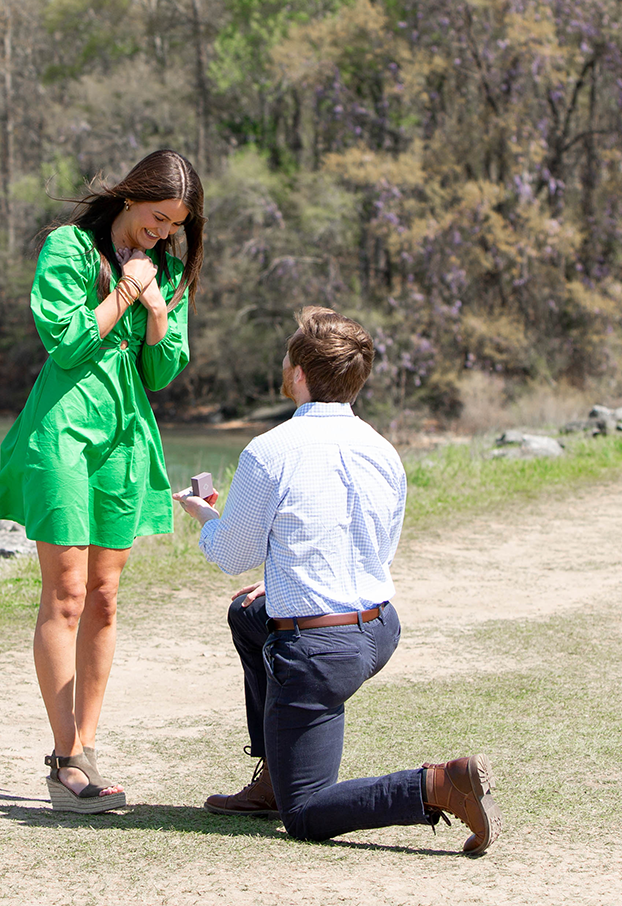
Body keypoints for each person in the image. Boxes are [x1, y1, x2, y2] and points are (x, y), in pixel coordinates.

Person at [173, 307, 499, 854]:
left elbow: (233, 554)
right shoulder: (382, 450)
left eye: (287, 353)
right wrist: (280, 584)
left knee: (305, 815)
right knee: (248, 615)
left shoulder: (270, 451)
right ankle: (275, 774)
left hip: (320, 648)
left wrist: (205, 516)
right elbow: (377, 548)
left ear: (299, 372)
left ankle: (439, 784)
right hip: (378, 629)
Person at [0, 149, 204, 814]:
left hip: (124, 439)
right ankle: (66, 761)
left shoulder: (168, 268)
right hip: (63, 434)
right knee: (65, 594)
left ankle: (85, 748)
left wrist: (160, 312)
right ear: (129, 197)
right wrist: (124, 290)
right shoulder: (69, 248)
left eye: (176, 223)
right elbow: (65, 342)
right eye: (156, 216)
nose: (164, 232)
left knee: (106, 598)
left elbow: (163, 371)